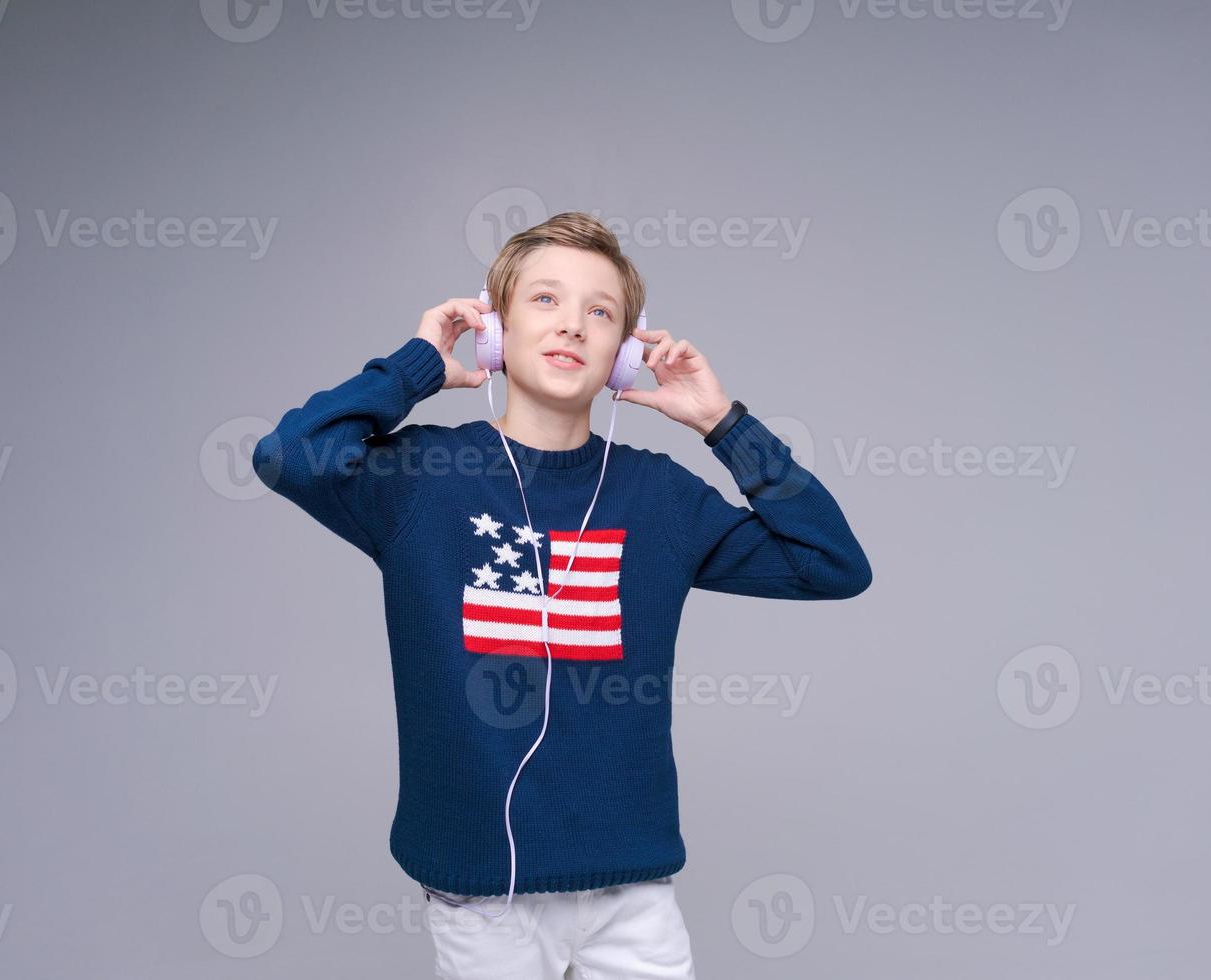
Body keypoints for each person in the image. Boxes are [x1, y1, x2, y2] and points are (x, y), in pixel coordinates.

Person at [252, 212, 872, 979]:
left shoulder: (660, 498)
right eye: (545, 300)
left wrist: (723, 422)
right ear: (493, 333)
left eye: (600, 311)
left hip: (632, 890)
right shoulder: (420, 480)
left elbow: (833, 565)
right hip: (486, 892)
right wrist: (414, 367)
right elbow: (287, 457)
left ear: (624, 354)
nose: (573, 325)